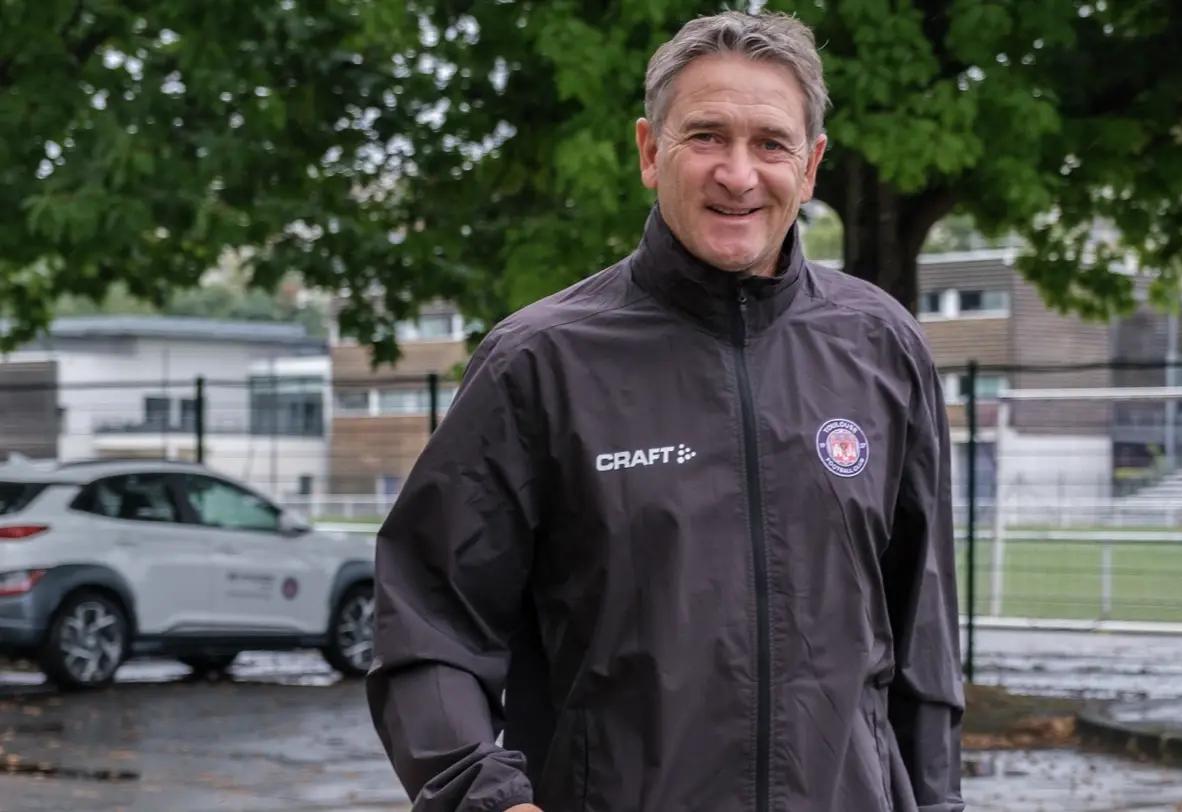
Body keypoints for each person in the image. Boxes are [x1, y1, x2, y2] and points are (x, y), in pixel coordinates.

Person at [367, 10, 964, 812]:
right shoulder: (540, 364)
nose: (739, 174)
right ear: (651, 152)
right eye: (707, 137)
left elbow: (922, 645)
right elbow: (428, 617)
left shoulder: (883, 349)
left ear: (812, 165)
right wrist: (483, 793)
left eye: (771, 144)